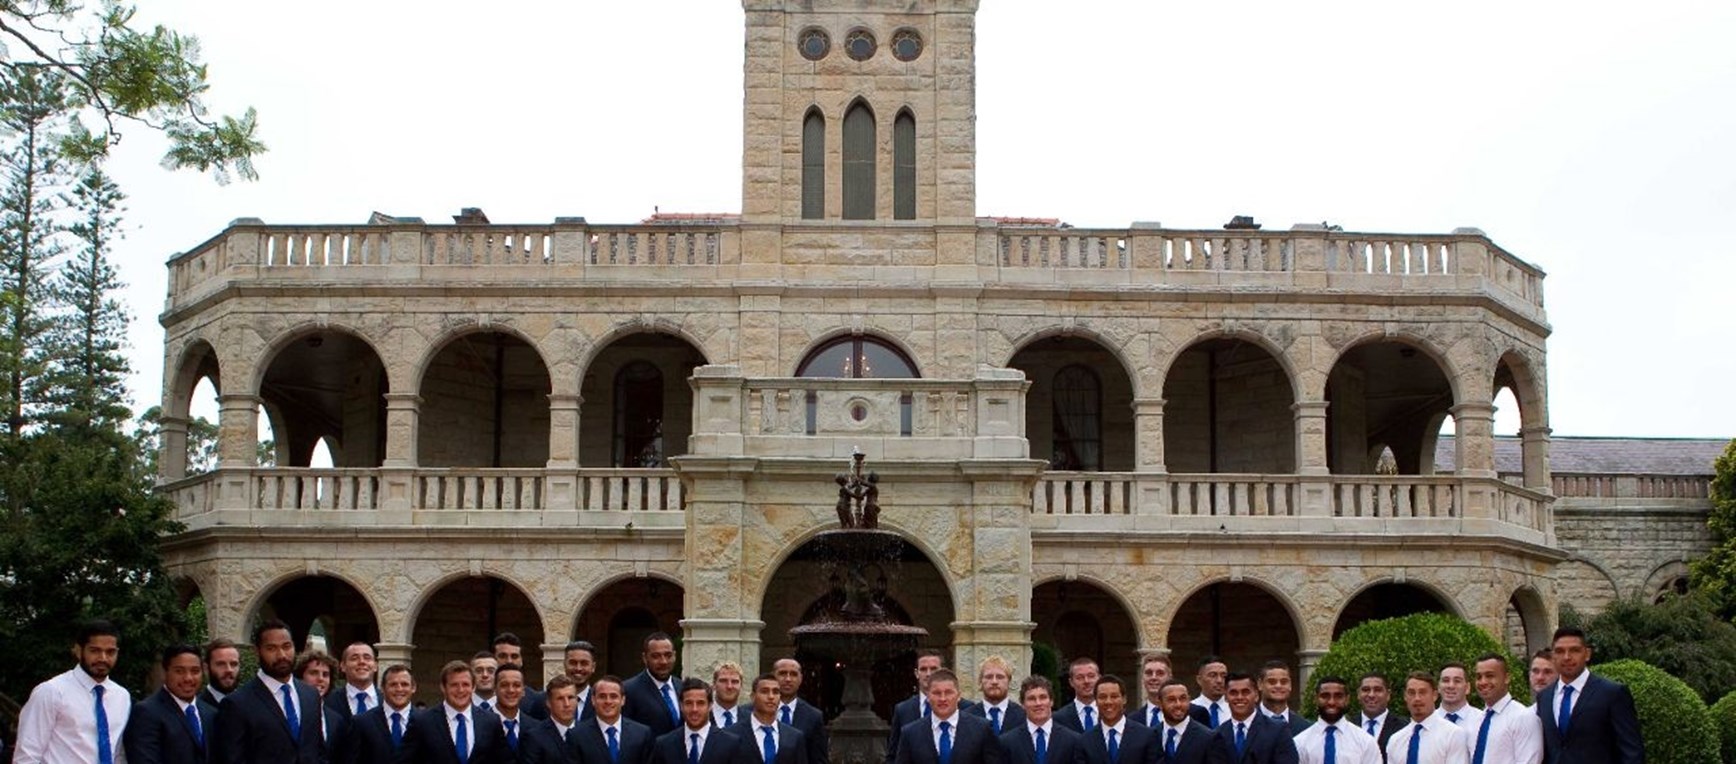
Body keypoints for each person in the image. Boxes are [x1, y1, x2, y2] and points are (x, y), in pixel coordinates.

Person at [14, 618, 131, 764]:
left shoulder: (121, 696)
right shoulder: (51, 692)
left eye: (110, 652)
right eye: (95, 651)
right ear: (78, 651)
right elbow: (27, 755)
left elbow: (118, 753)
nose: (103, 658)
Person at [211, 618, 324, 764]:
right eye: (271, 648)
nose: (282, 655)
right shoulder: (237, 704)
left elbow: (318, 750)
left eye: (287, 646)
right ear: (257, 652)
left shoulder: (311, 695)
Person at [1533, 627, 1642, 764]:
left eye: (1574, 650)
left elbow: (1632, 752)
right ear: (1553, 656)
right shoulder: (1544, 697)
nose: (1567, 657)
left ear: (1587, 654)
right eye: (1560, 651)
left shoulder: (1612, 693)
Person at [399, 659, 511, 764]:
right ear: (443, 687)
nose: (460, 690)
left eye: (465, 684)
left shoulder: (491, 721)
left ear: (473, 687)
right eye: (454, 685)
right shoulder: (422, 722)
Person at [123, 643, 217, 764]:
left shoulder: (210, 713)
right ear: (165, 672)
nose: (188, 678)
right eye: (179, 671)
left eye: (195, 671)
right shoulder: (146, 712)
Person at [892, 669, 1004, 764]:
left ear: (959, 696)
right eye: (937, 693)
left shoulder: (981, 729)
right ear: (928, 697)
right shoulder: (910, 733)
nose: (943, 698)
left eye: (948, 692)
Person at [1205, 672, 1298, 764]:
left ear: (1256, 696)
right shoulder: (1218, 734)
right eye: (1233, 693)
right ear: (1225, 697)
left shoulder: (1278, 730)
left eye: (1245, 692)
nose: (1239, 697)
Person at [655, 678, 752, 764]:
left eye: (700, 703)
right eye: (689, 703)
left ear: (710, 706)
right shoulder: (664, 744)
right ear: (681, 706)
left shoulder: (731, 744)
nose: (694, 709)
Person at [333, 663, 415, 764]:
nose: (399, 689)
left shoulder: (425, 722)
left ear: (413, 688)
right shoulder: (361, 723)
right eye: (393, 685)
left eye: (405, 684)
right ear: (383, 688)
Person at [1382, 673, 1468, 764]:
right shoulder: (1396, 740)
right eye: (1411, 693)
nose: (1417, 698)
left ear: (1434, 695)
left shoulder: (1452, 734)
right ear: (1405, 696)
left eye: (1422, 692)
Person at [1470, 653, 1541, 764]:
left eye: (1490, 676)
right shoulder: (1477, 720)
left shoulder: (1523, 717)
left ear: (1507, 678)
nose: (1483, 682)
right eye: (1479, 677)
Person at [1290, 676, 1379, 764]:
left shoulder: (1365, 741)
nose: (1331, 702)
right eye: (1325, 696)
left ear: (1347, 699)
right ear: (1316, 699)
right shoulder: (1300, 742)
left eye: (1338, 696)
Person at [1000, 676, 1086, 764]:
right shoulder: (1007, 742)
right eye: (1031, 699)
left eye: (1043, 697)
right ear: (1023, 704)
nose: (1038, 703)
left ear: (1051, 701)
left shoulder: (1073, 740)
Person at [577, 675, 657, 764]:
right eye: (602, 696)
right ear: (593, 700)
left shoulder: (642, 734)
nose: (608, 701)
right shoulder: (577, 735)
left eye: (613, 696)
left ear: (623, 700)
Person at [886, 650, 949, 764]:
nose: (928, 674)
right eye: (923, 669)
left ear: (943, 672)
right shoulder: (903, 710)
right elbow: (893, 754)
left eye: (934, 669)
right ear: (916, 673)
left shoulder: (964, 708)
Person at [1079, 675, 1158, 764]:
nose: (1108, 702)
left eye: (1114, 696)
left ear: (1124, 699)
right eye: (1102, 697)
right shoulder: (1085, 741)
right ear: (1096, 701)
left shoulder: (1146, 736)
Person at [733, 673, 809, 764]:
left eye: (776, 692)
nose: (771, 697)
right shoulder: (732, 734)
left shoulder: (795, 737)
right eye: (764, 691)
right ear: (753, 697)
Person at [624, 632, 684, 735]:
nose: (663, 661)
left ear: (675, 655)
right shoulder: (629, 690)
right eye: (656, 656)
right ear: (645, 658)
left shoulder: (683, 687)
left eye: (668, 655)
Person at [774, 658, 830, 764]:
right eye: (782, 673)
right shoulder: (752, 712)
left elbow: (819, 760)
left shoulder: (813, 717)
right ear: (773, 677)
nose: (788, 679)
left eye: (793, 674)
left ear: (800, 679)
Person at [294, 650, 346, 756]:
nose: (320, 679)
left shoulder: (336, 720)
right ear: (300, 677)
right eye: (313, 673)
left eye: (325, 675)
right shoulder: (290, 711)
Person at [521, 674, 583, 764]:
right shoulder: (534, 737)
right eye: (560, 699)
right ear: (549, 703)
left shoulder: (588, 733)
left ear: (577, 700)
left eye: (570, 698)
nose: (567, 704)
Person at [1151, 681, 1214, 764]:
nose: (1178, 704)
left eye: (1183, 698)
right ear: (1160, 704)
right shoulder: (1150, 736)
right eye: (1171, 700)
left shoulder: (1208, 738)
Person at [1348, 674, 1403, 762]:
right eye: (1366, 690)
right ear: (1358, 694)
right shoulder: (1347, 728)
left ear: (1388, 695)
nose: (1371, 695)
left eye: (1378, 690)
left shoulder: (1403, 728)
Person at [496, 633, 550, 720]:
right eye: (503, 656)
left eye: (514, 656)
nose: (509, 661)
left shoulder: (537, 701)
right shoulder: (476, 700)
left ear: (521, 661)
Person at [965, 656, 1025, 734]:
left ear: (1009, 681)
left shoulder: (1023, 716)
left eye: (1000, 677)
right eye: (989, 677)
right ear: (980, 681)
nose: (994, 682)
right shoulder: (967, 717)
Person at [326, 642, 380, 724]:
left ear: (375, 666)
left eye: (367, 658)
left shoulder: (387, 701)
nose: (362, 662)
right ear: (343, 666)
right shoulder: (329, 701)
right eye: (354, 658)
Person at [1256, 662, 1310, 736]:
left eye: (1284, 682)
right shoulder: (1247, 723)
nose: (1278, 686)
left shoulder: (1305, 727)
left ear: (1290, 685)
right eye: (1272, 682)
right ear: (1260, 684)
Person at [493, 663, 532, 756]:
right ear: (494, 689)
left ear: (523, 691)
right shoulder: (479, 725)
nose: (511, 690)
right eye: (504, 685)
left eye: (516, 685)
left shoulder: (535, 728)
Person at [1054, 658, 1102, 733]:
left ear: (1099, 679)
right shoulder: (1059, 718)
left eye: (1091, 676)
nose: (1086, 681)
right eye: (1080, 678)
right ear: (1071, 682)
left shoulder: (1113, 713)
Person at [1435, 663, 1482, 735]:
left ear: (1467, 688)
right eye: (1446, 680)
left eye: (1457, 681)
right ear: (1438, 687)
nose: (1451, 686)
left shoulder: (1481, 720)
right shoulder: (1426, 721)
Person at [1189, 657, 1230, 729]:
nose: (1219, 681)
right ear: (1199, 680)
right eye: (1213, 675)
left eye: (1224, 676)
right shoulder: (1190, 709)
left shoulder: (1234, 709)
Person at [200, 639, 243, 708]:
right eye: (221, 664)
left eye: (233, 664)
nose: (229, 670)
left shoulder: (249, 704)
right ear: (206, 668)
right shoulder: (197, 708)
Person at [1133, 656, 1173, 728]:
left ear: (1169, 677)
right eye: (1149, 673)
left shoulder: (1188, 714)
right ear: (1142, 677)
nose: (1153, 677)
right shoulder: (1133, 720)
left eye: (1160, 673)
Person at [567, 640, 600, 722]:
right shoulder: (544, 701)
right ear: (564, 664)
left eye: (584, 663)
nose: (578, 668)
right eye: (573, 663)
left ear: (593, 667)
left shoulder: (601, 703)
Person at [712, 662, 749, 728]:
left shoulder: (751, 720)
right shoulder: (701, 717)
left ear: (741, 686)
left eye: (734, 682)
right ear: (714, 684)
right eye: (723, 681)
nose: (729, 686)